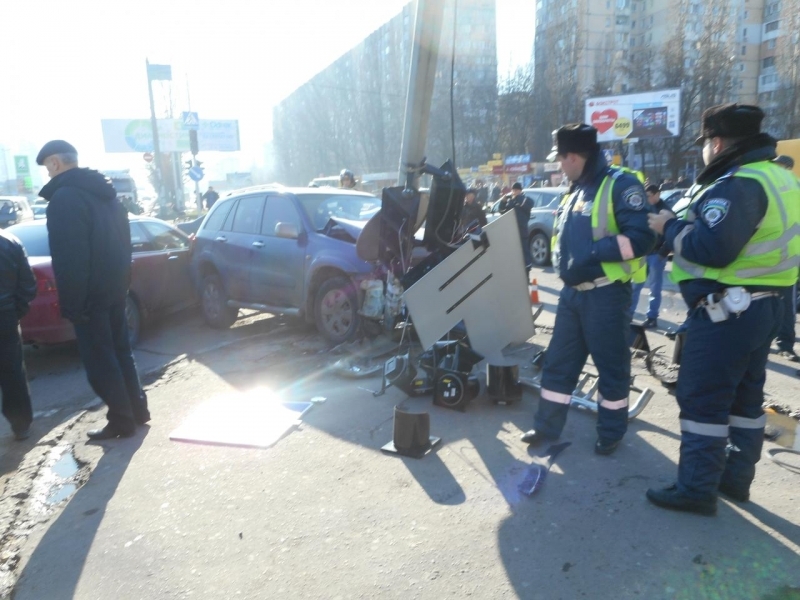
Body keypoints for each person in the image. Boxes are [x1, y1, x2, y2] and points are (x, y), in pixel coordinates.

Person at [645, 104, 800, 515]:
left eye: (705, 145)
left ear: (715, 143)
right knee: (745, 403)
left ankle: (697, 490)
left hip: (728, 314)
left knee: (703, 400)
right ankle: (735, 481)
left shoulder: (739, 185)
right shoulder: (782, 178)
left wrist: (669, 228)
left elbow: (712, 248)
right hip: (767, 308)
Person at [520, 124, 655, 454]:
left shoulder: (620, 185)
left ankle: (610, 433)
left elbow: (643, 238)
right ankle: (545, 427)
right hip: (573, 294)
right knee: (558, 365)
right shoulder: (575, 189)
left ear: (575, 156)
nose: (558, 165)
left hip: (605, 294)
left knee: (611, 367)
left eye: (560, 159)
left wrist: (595, 253)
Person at [36, 140, 150, 440]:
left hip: (89, 298)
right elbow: (125, 245)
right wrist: (122, 284)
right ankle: (138, 411)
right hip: (115, 290)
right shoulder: (107, 196)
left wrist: (73, 305)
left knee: (100, 361)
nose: (47, 176)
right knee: (122, 352)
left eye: (47, 169)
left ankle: (122, 421)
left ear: (55, 164)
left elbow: (69, 258)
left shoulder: (65, 199)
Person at [0, 229, 36, 441]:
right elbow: (28, 285)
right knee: (12, 370)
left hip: (7, 312)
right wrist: (14, 312)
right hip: (6, 316)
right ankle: (21, 424)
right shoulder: (10, 241)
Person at [629, 184, 670, 328]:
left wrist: (662, 253)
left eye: (648, 196)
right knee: (636, 285)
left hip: (656, 255)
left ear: (657, 194)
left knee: (654, 287)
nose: (646, 198)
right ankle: (629, 314)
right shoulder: (645, 207)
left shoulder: (665, 211)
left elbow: (670, 235)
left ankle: (652, 317)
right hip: (643, 254)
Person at [773, 155, 799, 362]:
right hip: (763, 258)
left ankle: (785, 343)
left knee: (787, 304)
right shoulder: (766, 185)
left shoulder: (795, 189)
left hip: (788, 258)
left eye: (781, 166)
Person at [499, 182, 534, 269]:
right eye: (513, 190)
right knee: (514, 254)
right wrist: (503, 202)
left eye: (516, 190)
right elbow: (502, 211)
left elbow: (527, 203)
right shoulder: (511, 201)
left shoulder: (525, 199)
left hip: (522, 231)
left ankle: (527, 272)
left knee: (524, 253)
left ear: (520, 191)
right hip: (511, 231)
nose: (514, 192)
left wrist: (515, 197)